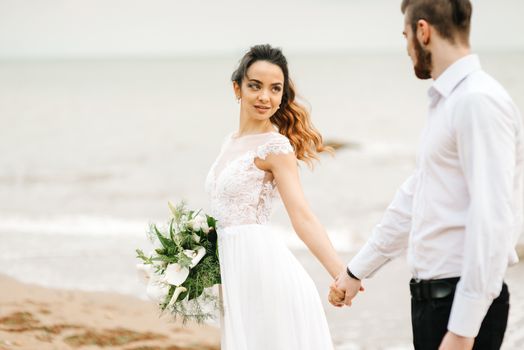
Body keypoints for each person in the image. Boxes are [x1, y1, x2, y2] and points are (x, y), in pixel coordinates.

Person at [329, 0, 524, 349]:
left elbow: (492, 220)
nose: (406, 48)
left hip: (461, 308)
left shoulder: (477, 101)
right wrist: (357, 270)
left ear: (423, 31)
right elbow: (414, 200)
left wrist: (463, 330)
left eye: (405, 35)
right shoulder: (449, 103)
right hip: (435, 304)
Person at [205, 44, 345, 350]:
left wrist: (341, 274)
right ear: (237, 88)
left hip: (263, 271)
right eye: (255, 86)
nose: (264, 97)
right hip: (235, 272)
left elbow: (303, 216)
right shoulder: (229, 142)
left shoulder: (277, 148)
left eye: (275, 88)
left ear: (282, 95)